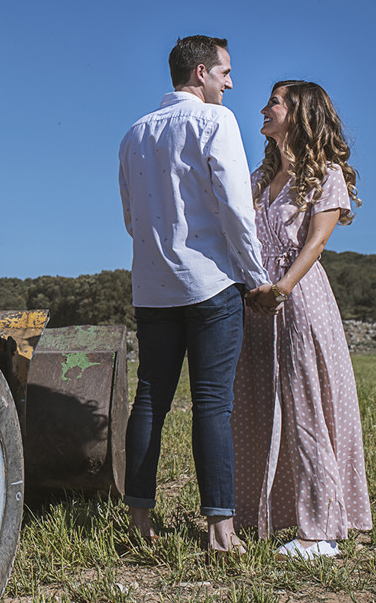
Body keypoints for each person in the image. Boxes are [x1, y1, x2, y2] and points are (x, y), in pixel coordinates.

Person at [118, 35, 280, 554]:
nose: (231, 84)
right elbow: (236, 209)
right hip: (211, 283)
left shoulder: (134, 134)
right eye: (226, 73)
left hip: (153, 287)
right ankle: (220, 530)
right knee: (212, 403)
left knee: (150, 399)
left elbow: (131, 219)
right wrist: (256, 279)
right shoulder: (216, 122)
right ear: (202, 72)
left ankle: (139, 525)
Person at [232, 80, 372, 560]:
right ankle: (265, 517)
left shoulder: (325, 175)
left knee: (307, 407)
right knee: (256, 406)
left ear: (300, 113)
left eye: (274, 102)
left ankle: (322, 530)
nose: (264, 109)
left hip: (299, 297)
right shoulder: (255, 179)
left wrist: (283, 287)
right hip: (256, 301)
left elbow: (315, 242)